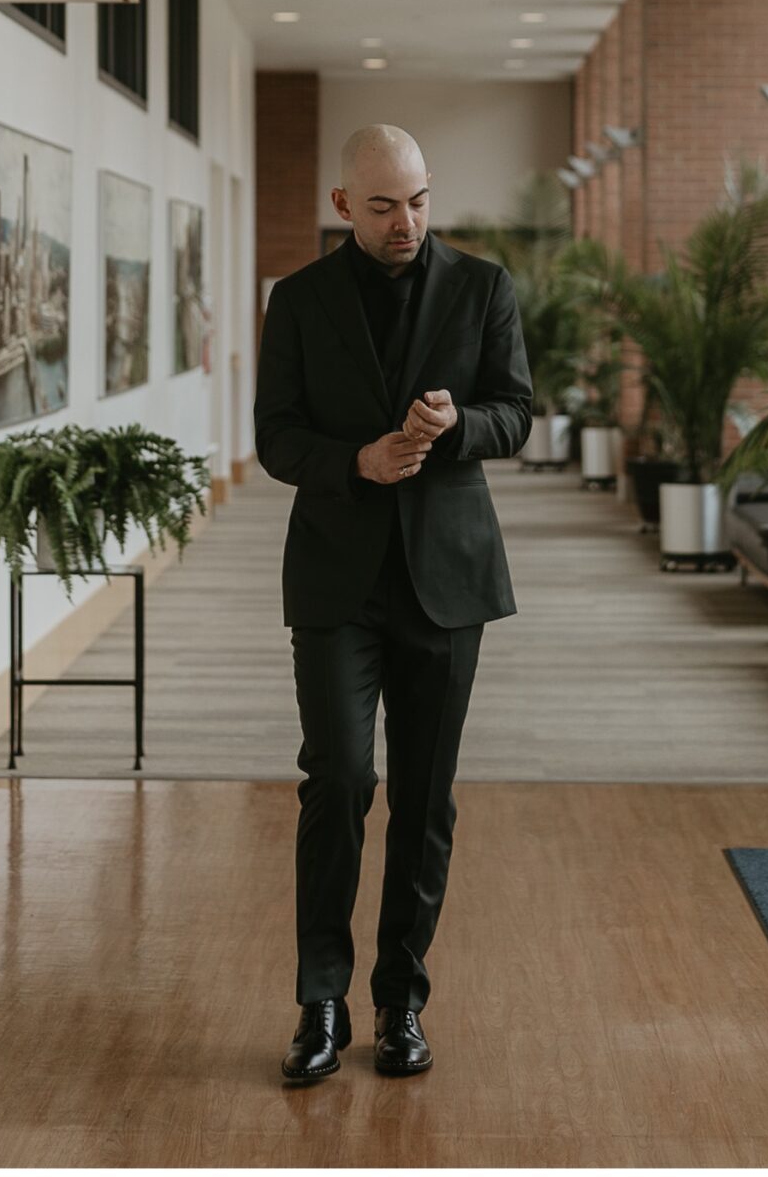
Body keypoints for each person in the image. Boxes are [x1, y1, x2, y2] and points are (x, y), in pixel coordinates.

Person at [253, 124, 534, 1084]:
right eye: (382, 205)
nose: (406, 220)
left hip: (446, 580)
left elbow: (518, 412)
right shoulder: (296, 302)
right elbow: (276, 438)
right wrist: (357, 462)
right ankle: (320, 1002)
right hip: (335, 579)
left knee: (423, 799)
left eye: (418, 200)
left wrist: (456, 429)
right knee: (338, 781)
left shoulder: (484, 287)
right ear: (343, 207)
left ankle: (399, 1003)